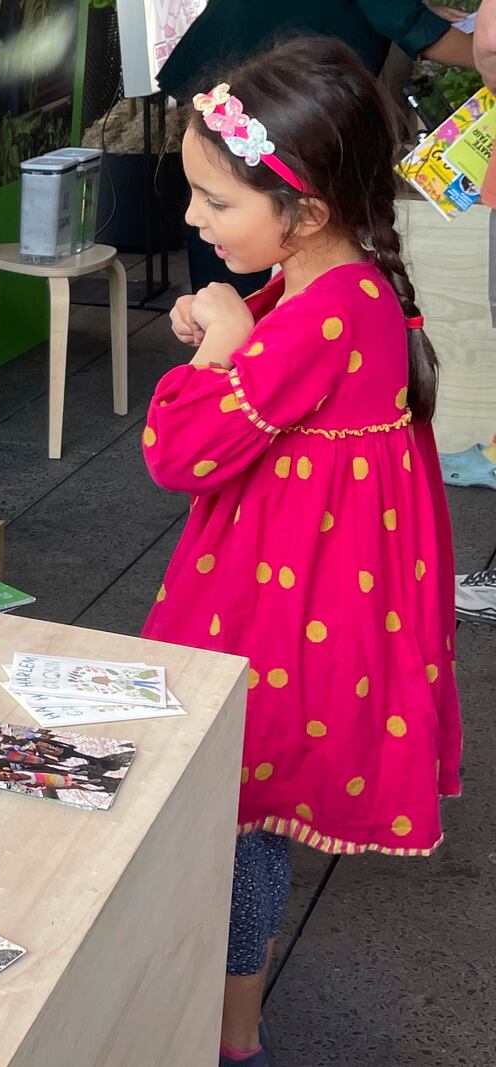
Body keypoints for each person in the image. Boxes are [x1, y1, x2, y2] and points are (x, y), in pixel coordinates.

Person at [141, 39, 461, 1067]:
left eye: (214, 201)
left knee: (240, 815)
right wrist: (231, 322)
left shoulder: (322, 313)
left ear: (306, 211)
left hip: (278, 621)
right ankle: (228, 1009)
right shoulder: (346, 287)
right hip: (309, 596)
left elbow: (178, 451)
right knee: (246, 820)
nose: (194, 220)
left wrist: (219, 347)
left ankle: (230, 1029)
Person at [157, 1, 474, 298]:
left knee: (234, 208)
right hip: (258, 92)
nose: (191, 216)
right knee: (230, 210)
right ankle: (226, 317)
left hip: (250, 70)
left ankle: (226, 316)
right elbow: (405, 22)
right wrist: (483, 53)